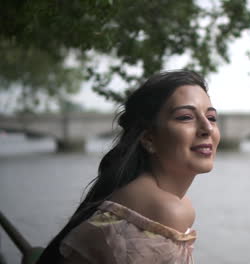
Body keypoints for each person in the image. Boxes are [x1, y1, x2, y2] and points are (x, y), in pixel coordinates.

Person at [37, 70, 221, 264]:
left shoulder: (138, 192)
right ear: (149, 138)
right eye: (185, 117)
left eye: (211, 117)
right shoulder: (166, 209)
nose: (207, 128)